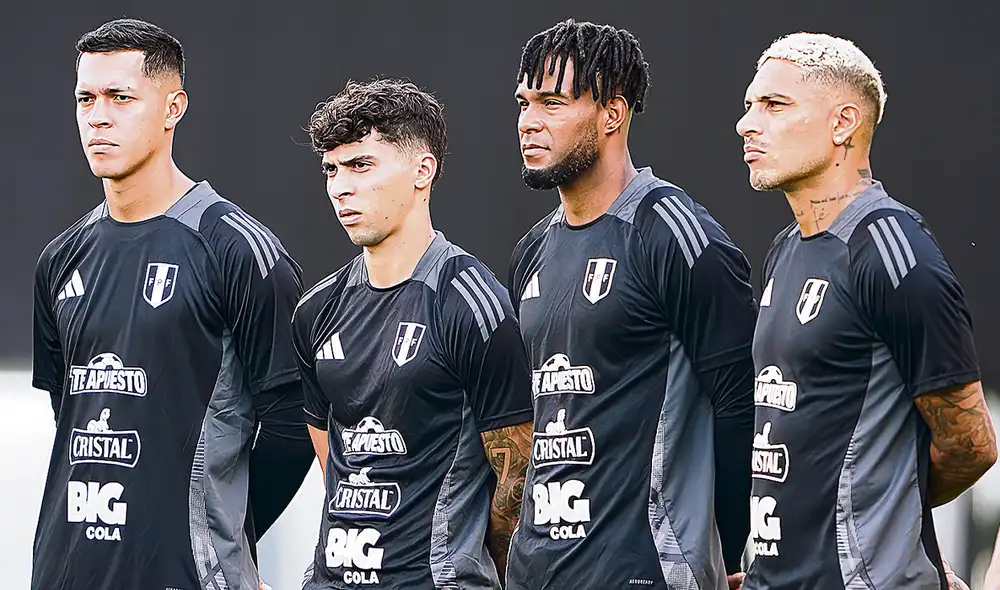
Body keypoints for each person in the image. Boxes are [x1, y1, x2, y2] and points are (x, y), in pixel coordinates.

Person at [31, 18, 312, 590]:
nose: (98, 116)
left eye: (120, 97)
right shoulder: (59, 260)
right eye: (86, 99)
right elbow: (72, 415)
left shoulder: (236, 249)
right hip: (65, 571)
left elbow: (291, 428)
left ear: (172, 108)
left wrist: (224, 540)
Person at [736, 31, 997, 589]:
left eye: (775, 105)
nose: (747, 124)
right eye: (750, 105)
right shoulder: (786, 249)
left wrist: (888, 531)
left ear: (843, 123)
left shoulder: (892, 252)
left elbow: (970, 445)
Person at [506, 19, 757, 590]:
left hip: (645, 573)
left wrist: (732, 555)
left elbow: (741, 406)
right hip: (535, 574)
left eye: (552, 102)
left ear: (612, 114)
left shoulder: (675, 235)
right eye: (524, 103)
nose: (528, 121)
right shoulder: (531, 252)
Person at [293, 78, 534, 589]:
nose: (340, 186)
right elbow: (335, 469)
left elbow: (515, 488)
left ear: (423, 171)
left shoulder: (470, 304)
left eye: (361, 165)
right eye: (331, 169)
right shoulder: (315, 311)